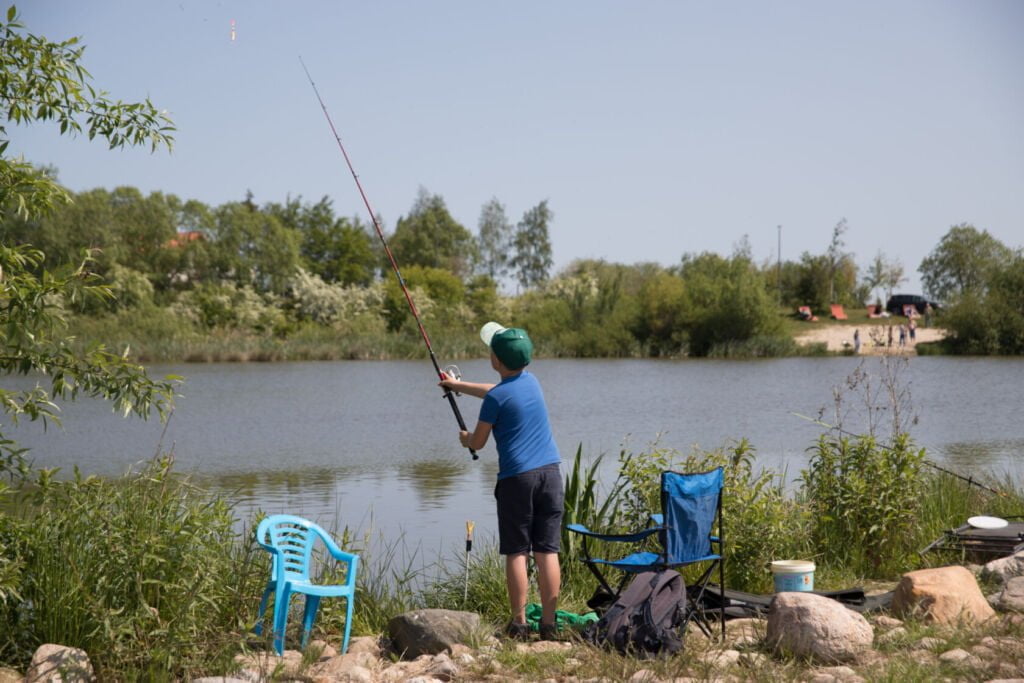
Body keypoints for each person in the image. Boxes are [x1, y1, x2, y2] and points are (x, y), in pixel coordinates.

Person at [439, 322, 563, 640]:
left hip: (518, 479)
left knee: (517, 551)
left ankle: (519, 624)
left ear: (495, 360)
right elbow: (495, 391)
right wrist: (457, 385)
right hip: (551, 475)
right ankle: (549, 625)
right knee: (547, 550)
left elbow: (478, 442)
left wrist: (465, 439)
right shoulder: (531, 382)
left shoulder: (496, 399)